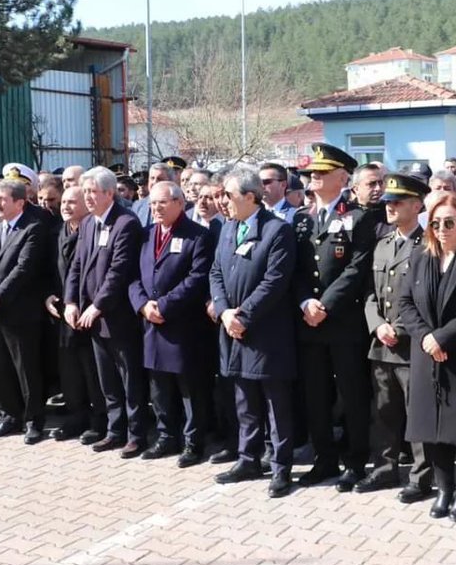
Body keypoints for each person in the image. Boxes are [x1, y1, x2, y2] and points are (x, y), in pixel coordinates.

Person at [396, 193, 456, 522]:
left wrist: (442, 337)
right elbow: (405, 303)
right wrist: (426, 337)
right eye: (435, 222)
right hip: (427, 355)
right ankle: (444, 489)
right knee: (432, 428)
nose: (441, 228)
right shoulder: (421, 256)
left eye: (449, 222)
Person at [292, 143, 378, 491]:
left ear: (343, 177)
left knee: (352, 394)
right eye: (313, 171)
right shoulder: (302, 218)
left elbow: (356, 270)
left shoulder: (359, 217)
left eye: (323, 172)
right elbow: (295, 270)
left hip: (342, 322)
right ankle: (324, 458)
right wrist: (304, 304)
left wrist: (324, 305)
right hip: (308, 322)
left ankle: (356, 462)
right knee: (315, 394)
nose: (314, 176)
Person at [210, 167, 298, 498]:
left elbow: (274, 282)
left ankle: (280, 467)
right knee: (244, 400)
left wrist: (243, 315)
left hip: (266, 332)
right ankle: (249, 459)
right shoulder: (228, 228)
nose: (223, 202)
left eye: (228, 196)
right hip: (233, 330)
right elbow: (216, 271)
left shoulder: (277, 231)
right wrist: (224, 311)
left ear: (250, 197)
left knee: (276, 404)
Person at [128, 181, 215, 466]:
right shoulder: (145, 234)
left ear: (179, 203)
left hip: (183, 326)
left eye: (162, 202)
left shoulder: (197, 236)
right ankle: (166, 438)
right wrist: (142, 304)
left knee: (190, 389)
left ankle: (193, 443)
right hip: (151, 324)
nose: (156, 208)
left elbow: (197, 278)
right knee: (159, 387)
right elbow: (132, 277)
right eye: (153, 203)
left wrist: (164, 306)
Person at [356, 173, 432, 502]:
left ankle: (422, 475)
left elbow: (424, 296)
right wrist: (376, 325)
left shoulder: (427, 245)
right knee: (384, 411)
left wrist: (398, 328)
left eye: (397, 201)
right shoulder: (383, 242)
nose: (389, 206)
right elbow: (370, 293)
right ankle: (385, 468)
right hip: (381, 344)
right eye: (388, 201)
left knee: (418, 412)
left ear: (417, 205)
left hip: (410, 344)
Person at [64, 166, 148, 456]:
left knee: (129, 379)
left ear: (109, 193)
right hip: (91, 317)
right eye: (85, 191)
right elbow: (76, 265)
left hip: (117, 317)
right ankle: (114, 431)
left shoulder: (126, 223)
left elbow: (119, 272)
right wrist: (72, 302)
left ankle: (136, 434)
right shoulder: (88, 223)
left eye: (92, 192)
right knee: (107, 380)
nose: (87, 197)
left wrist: (98, 306)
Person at [0, 179, 49, 445]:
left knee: (26, 369)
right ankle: (8, 415)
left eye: (3, 198)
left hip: (20, 312)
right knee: (0, 368)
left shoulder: (33, 229)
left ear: (20, 202)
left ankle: (33, 420)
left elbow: (24, 269)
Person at [45, 184, 108, 443]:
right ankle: (76, 416)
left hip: (88, 311)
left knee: (92, 371)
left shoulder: (93, 231)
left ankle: (99, 421)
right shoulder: (56, 232)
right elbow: (47, 269)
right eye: (64, 202)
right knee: (69, 370)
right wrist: (47, 294)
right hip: (62, 311)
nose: (65, 206)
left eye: (72, 202)